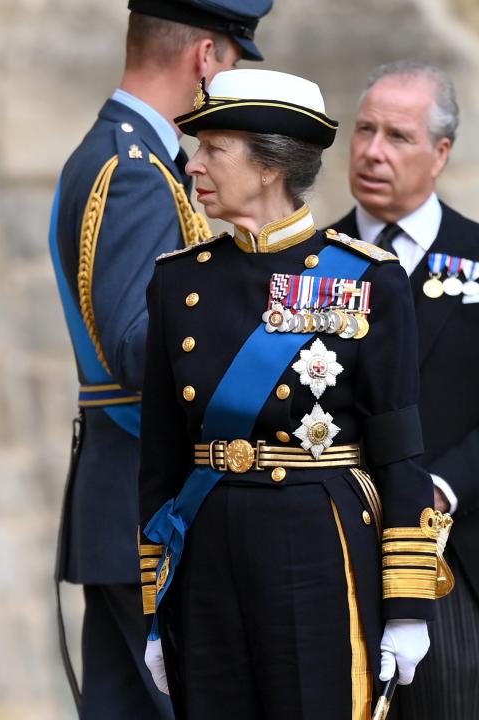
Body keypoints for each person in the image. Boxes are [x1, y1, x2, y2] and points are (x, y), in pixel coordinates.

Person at [137, 68, 444, 718]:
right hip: (206, 555)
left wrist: (408, 605)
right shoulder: (176, 283)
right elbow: (160, 463)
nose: (195, 166)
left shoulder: (366, 279)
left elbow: (399, 456)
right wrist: (155, 608)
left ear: (270, 163)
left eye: (215, 149)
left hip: (317, 549)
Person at [49, 0, 272, 716]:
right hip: (147, 511)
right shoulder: (134, 169)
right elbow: (140, 344)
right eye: (232, 63)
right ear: (205, 58)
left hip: (129, 507)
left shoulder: (136, 158)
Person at [330, 60, 479, 720]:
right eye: (364, 130)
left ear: (441, 153)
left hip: (458, 560)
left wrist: (445, 485)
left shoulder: (477, 258)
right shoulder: (311, 263)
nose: (371, 152)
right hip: (335, 553)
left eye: (398, 136)